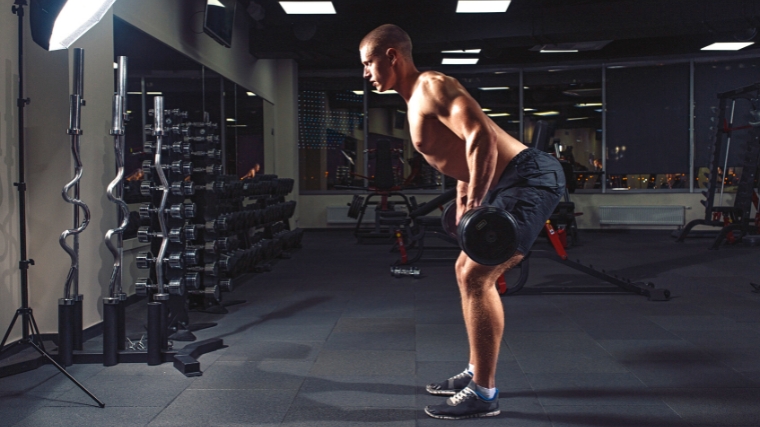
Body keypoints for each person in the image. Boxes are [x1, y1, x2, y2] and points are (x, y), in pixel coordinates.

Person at [360, 24, 565, 420]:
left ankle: (484, 393)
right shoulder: (415, 99)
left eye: (368, 63)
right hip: (508, 181)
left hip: (528, 176)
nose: (365, 73)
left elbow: (480, 138)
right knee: (463, 269)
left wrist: (474, 203)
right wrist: (461, 202)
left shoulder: (431, 85)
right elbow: (460, 155)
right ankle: (476, 371)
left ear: (392, 57)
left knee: (477, 276)